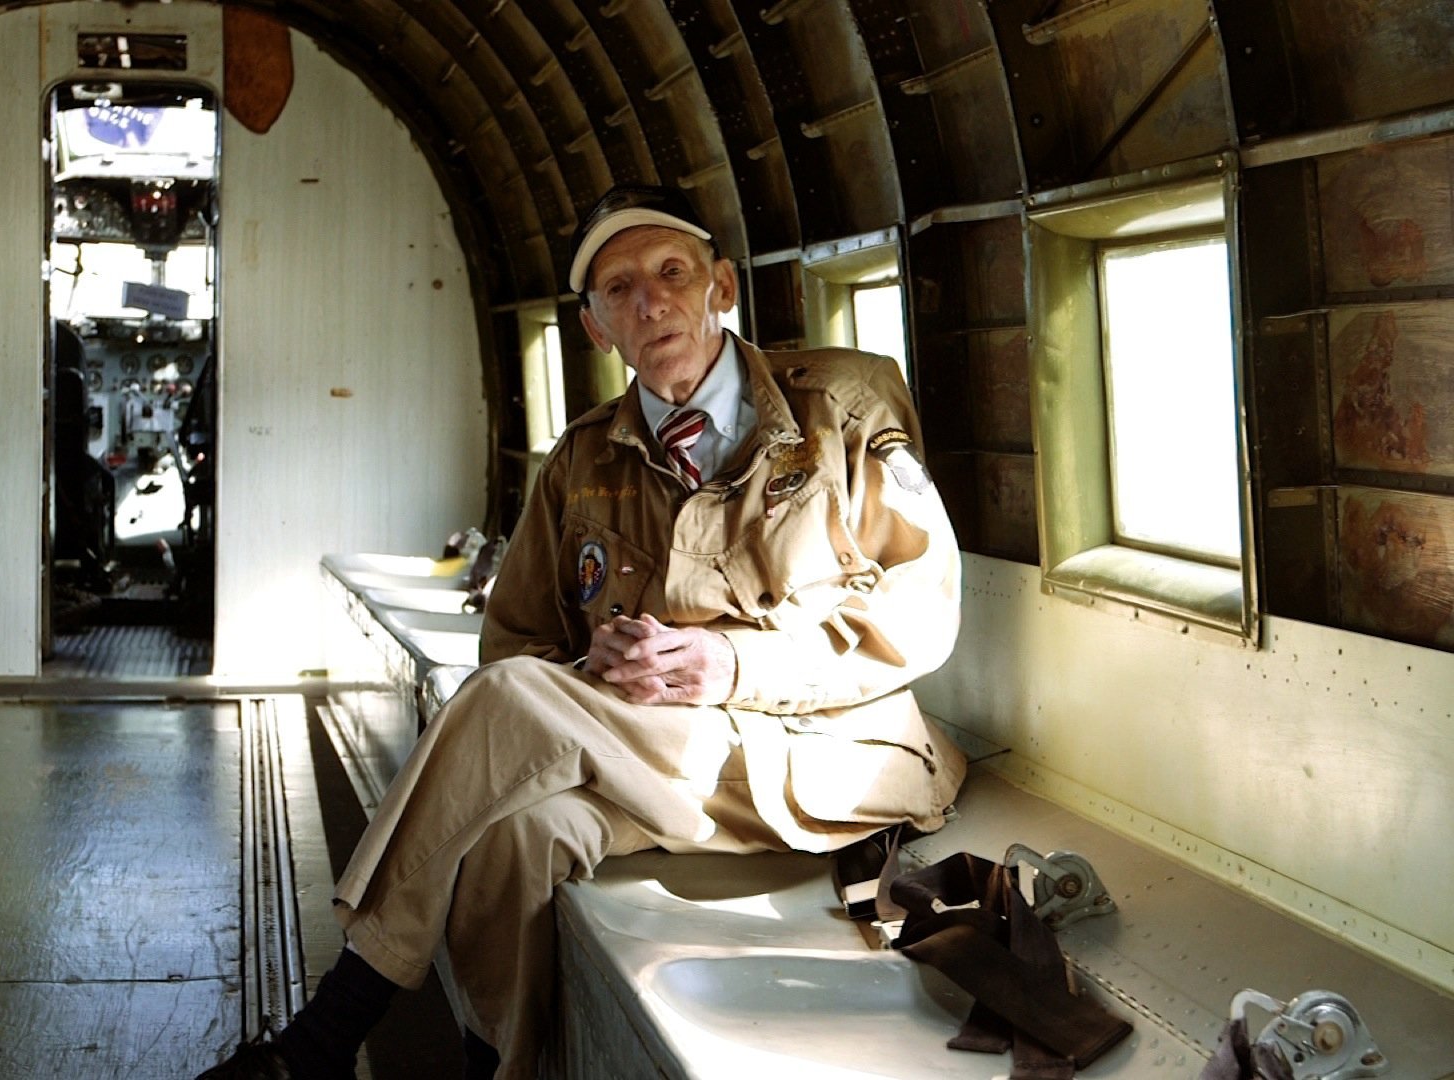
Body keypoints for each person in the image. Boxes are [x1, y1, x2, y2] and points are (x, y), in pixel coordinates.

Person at [200, 185, 968, 1080]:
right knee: (513, 842)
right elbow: (517, 643)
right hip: (663, 763)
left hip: (828, 756)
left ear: (721, 285)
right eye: (619, 289)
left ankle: (323, 1039)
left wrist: (728, 661)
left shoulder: (844, 405)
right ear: (597, 327)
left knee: (511, 703)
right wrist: (588, 662)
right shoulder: (583, 461)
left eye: (671, 273)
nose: (650, 301)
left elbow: (922, 614)